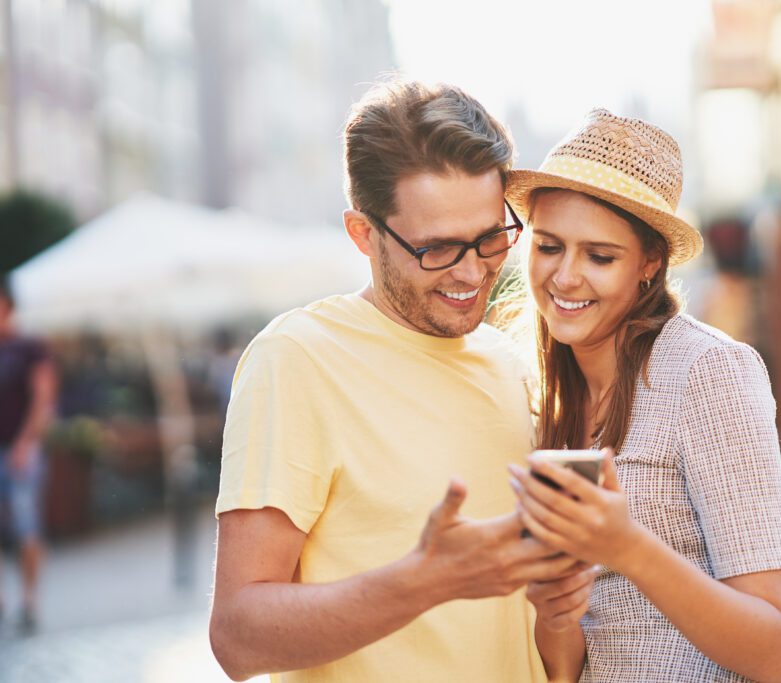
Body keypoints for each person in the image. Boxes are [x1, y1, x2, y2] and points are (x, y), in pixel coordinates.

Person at [209, 79, 593, 682]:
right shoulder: (296, 359)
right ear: (363, 234)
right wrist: (423, 583)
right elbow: (238, 635)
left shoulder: (510, 361)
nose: (473, 272)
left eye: (491, 237)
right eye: (437, 249)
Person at [505, 109, 781, 682]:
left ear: (649, 264)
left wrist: (629, 547)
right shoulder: (545, 395)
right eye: (548, 247)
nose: (565, 277)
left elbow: (775, 650)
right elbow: (567, 667)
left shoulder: (707, 373)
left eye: (600, 256)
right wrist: (555, 611)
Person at [0, 276, 57, 635]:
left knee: (26, 527)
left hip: (20, 452)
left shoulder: (30, 347)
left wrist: (25, 442)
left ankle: (29, 602)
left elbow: (43, 398)